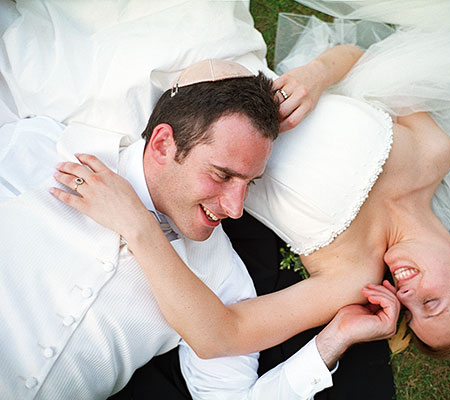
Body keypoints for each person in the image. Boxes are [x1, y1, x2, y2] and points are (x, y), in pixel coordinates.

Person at [55, 0, 450, 369]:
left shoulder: (352, 275)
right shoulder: (434, 153)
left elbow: (222, 335)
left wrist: (138, 229)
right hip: (221, 56)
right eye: (432, 302)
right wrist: (319, 74)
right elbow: (364, 59)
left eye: (410, 313)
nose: (408, 295)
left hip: (163, 124)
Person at [0, 56, 400, 399]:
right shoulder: (48, 152)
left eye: (249, 184)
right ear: (162, 145)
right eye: (222, 175)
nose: (236, 209)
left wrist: (335, 339)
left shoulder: (222, 278)